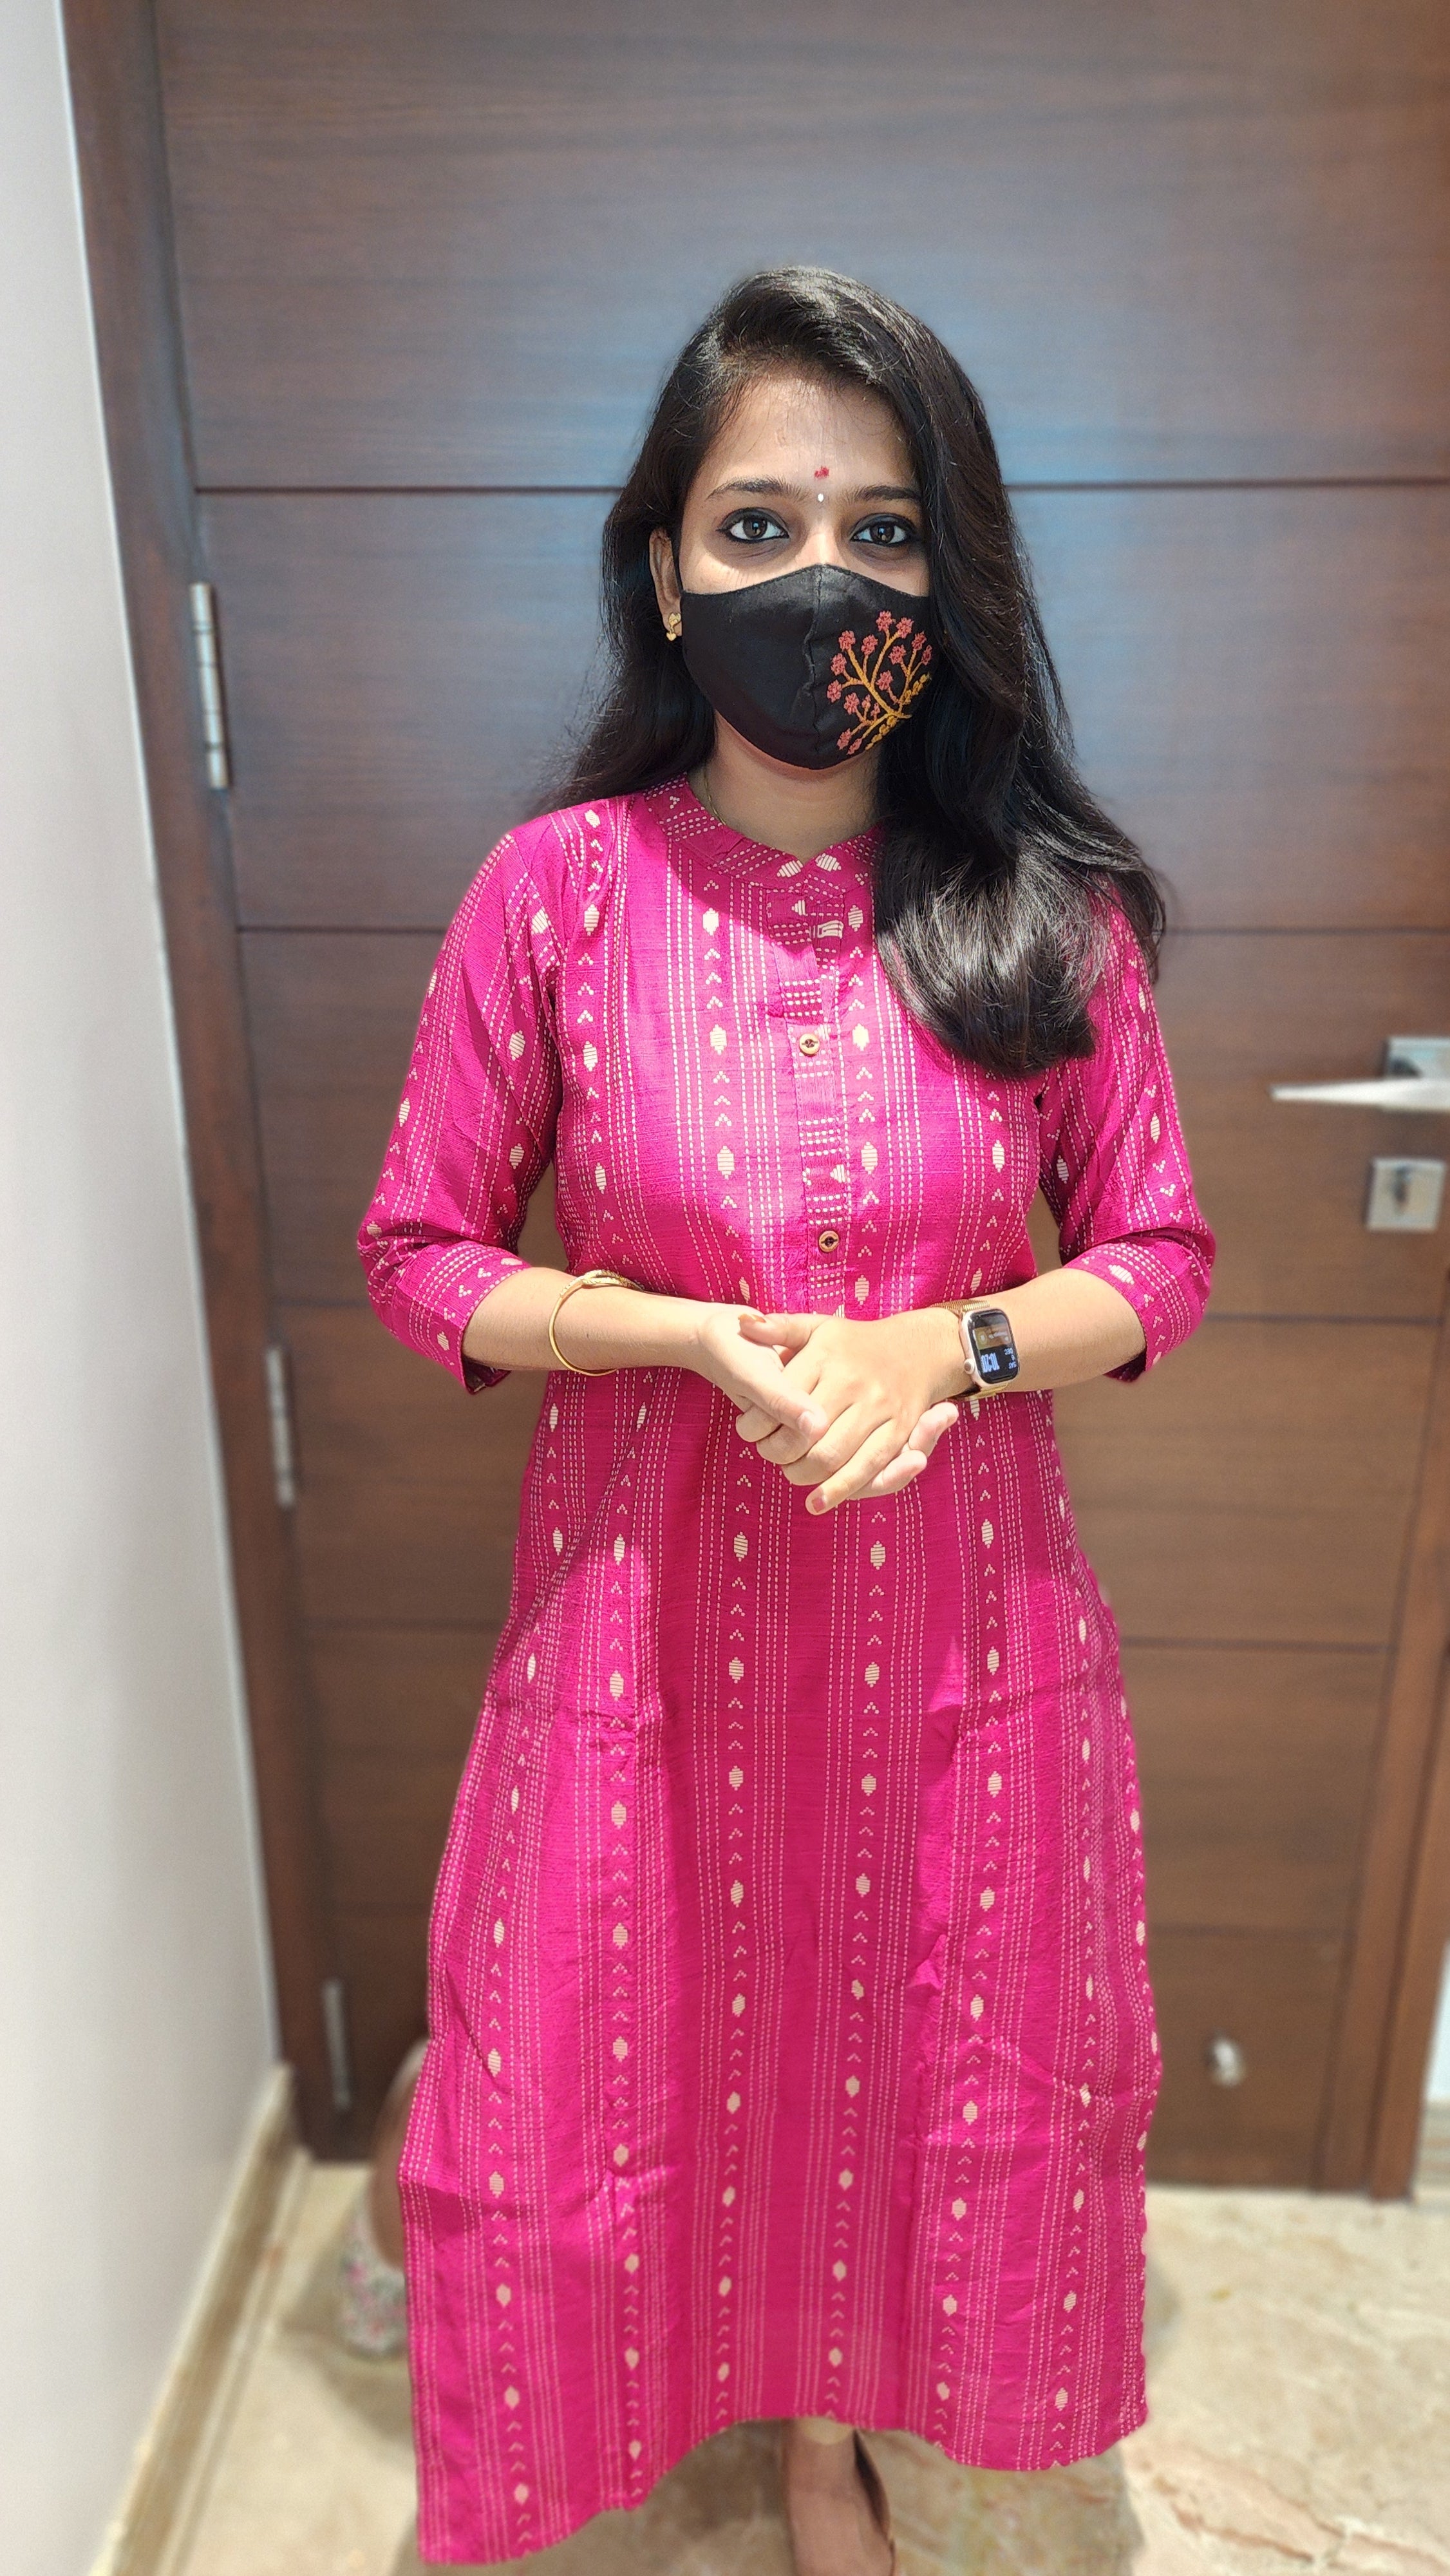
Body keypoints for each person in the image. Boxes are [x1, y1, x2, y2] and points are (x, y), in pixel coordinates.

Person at [358, 267, 1214, 2575]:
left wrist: (947, 1352)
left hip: (960, 1655)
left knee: (919, 2081)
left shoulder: (1041, 911)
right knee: (616, 2073)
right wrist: (665, 1333)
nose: (817, 580)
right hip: (640, 1649)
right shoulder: (557, 896)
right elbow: (417, 1252)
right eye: (756, 528)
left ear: (948, 578)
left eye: (879, 531)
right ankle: (691, 2420)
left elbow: (1157, 1259)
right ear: (664, 569)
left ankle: (833, 2437)